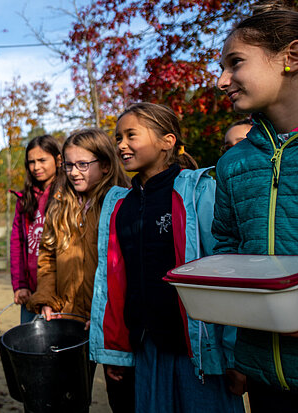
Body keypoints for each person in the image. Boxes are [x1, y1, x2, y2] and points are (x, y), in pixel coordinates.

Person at [89, 102, 244, 413]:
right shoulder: (119, 204)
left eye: (131, 135)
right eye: (118, 137)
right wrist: (115, 352)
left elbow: (226, 269)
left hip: (197, 349)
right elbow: (113, 281)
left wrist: (235, 354)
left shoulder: (199, 190)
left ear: (167, 141)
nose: (121, 145)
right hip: (147, 346)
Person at [214, 8, 298, 410]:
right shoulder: (233, 164)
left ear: (293, 58)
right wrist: (239, 354)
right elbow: (228, 254)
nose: (221, 80)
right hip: (265, 376)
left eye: (235, 63)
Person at [26, 128, 134, 413]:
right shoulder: (60, 206)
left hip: (112, 325)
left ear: (106, 165)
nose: (74, 172)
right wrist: (47, 298)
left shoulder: (123, 204)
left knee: (123, 398)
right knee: (69, 400)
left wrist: (106, 316)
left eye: (83, 164)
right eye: (69, 165)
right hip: (69, 320)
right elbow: (47, 256)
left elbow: (126, 269)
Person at [10, 134, 62, 323]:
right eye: (31, 162)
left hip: (59, 295)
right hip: (30, 293)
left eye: (42, 160)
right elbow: (17, 243)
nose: (36, 167)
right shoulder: (25, 200)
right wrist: (19, 285)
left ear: (58, 160)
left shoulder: (68, 195)